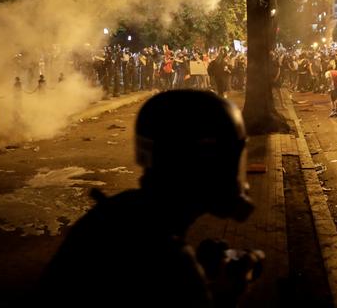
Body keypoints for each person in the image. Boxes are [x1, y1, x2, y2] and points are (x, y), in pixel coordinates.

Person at [39, 90, 262, 307]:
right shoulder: (171, 259)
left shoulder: (115, 212)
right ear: (206, 163)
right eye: (229, 159)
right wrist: (230, 291)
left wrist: (202, 272)